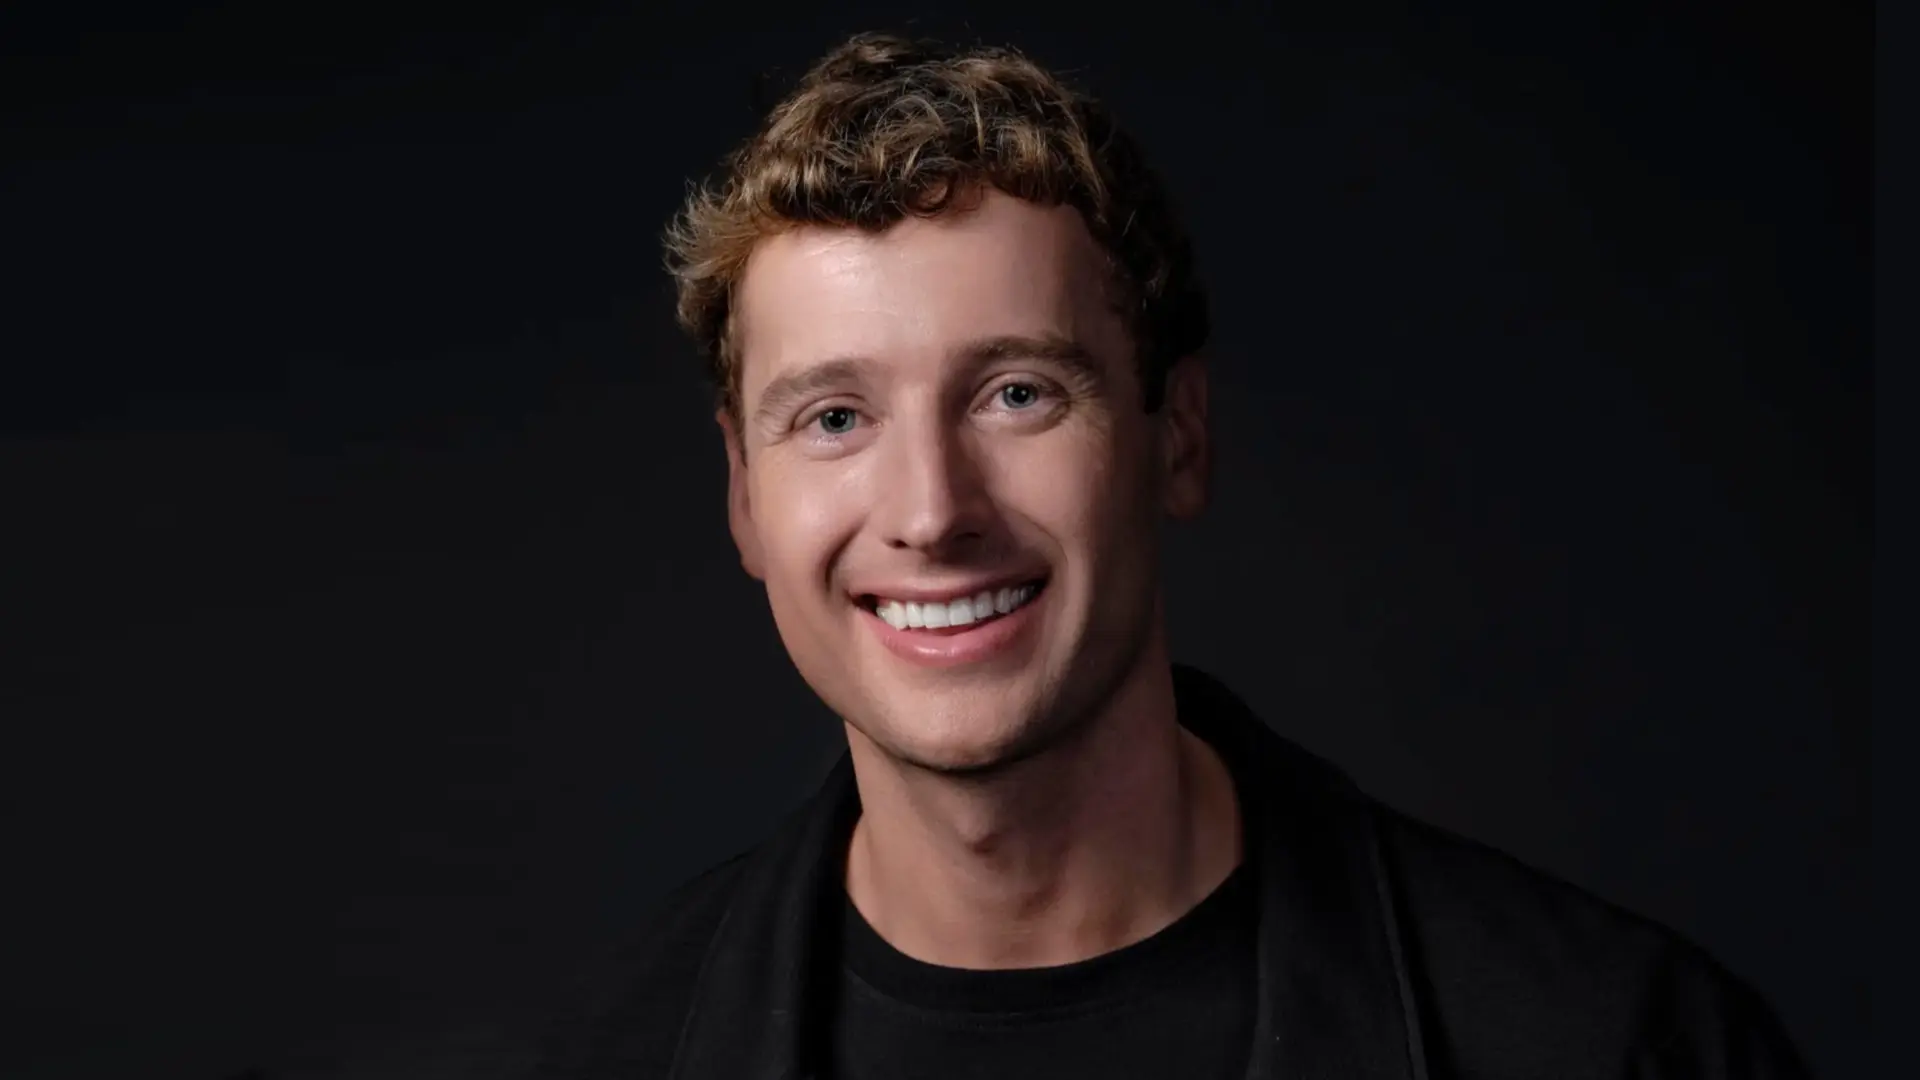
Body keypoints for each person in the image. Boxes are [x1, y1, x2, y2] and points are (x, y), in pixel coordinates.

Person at [297, 30, 1809, 1080]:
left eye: (1017, 393)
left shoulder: (1620, 1045)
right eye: (834, 418)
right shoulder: (596, 1058)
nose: (931, 508)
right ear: (745, 499)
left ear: (1176, 437)